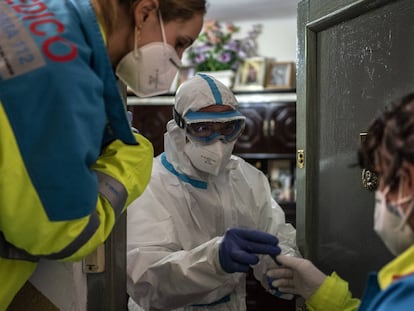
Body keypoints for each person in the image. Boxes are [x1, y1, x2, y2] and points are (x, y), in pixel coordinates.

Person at [0, 0, 206, 309]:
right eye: (179, 43)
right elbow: (62, 232)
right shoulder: (61, 72)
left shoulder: (33, 17)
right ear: (145, 12)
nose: (176, 60)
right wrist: (127, 167)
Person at [126, 73, 300, 311]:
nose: (218, 141)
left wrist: (282, 270)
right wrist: (214, 260)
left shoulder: (247, 178)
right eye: (203, 128)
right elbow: (147, 280)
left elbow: (275, 235)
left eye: (228, 127)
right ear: (180, 126)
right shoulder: (150, 183)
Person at [267, 92, 414, 310]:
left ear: (406, 182)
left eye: (384, 178)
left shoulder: (404, 298)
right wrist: (323, 293)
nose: (379, 193)